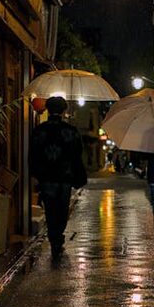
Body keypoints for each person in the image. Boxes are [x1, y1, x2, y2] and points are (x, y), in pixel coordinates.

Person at [30, 96, 87, 256]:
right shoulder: (71, 131)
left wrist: (35, 174)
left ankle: (53, 237)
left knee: (50, 209)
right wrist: (78, 175)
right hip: (64, 177)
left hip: (46, 177)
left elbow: (33, 155)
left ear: (47, 109)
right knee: (62, 209)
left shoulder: (39, 130)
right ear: (63, 111)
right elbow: (77, 155)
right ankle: (57, 238)